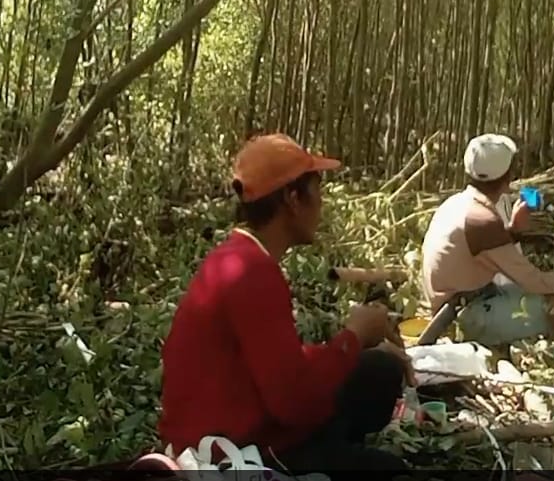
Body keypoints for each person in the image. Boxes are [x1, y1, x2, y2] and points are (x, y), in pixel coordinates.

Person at [159, 133, 409, 473]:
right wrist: (353, 338)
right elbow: (293, 402)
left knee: (378, 371)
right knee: (392, 472)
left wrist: (353, 346)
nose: (321, 202)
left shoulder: (238, 257)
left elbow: (278, 367)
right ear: (293, 199)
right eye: (316, 189)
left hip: (241, 427)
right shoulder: (250, 273)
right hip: (230, 457)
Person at [422, 132, 554, 345]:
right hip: (464, 318)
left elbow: (480, 255)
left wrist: (513, 231)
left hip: (467, 302)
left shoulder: (458, 204)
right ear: (508, 177)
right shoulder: (482, 221)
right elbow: (535, 282)